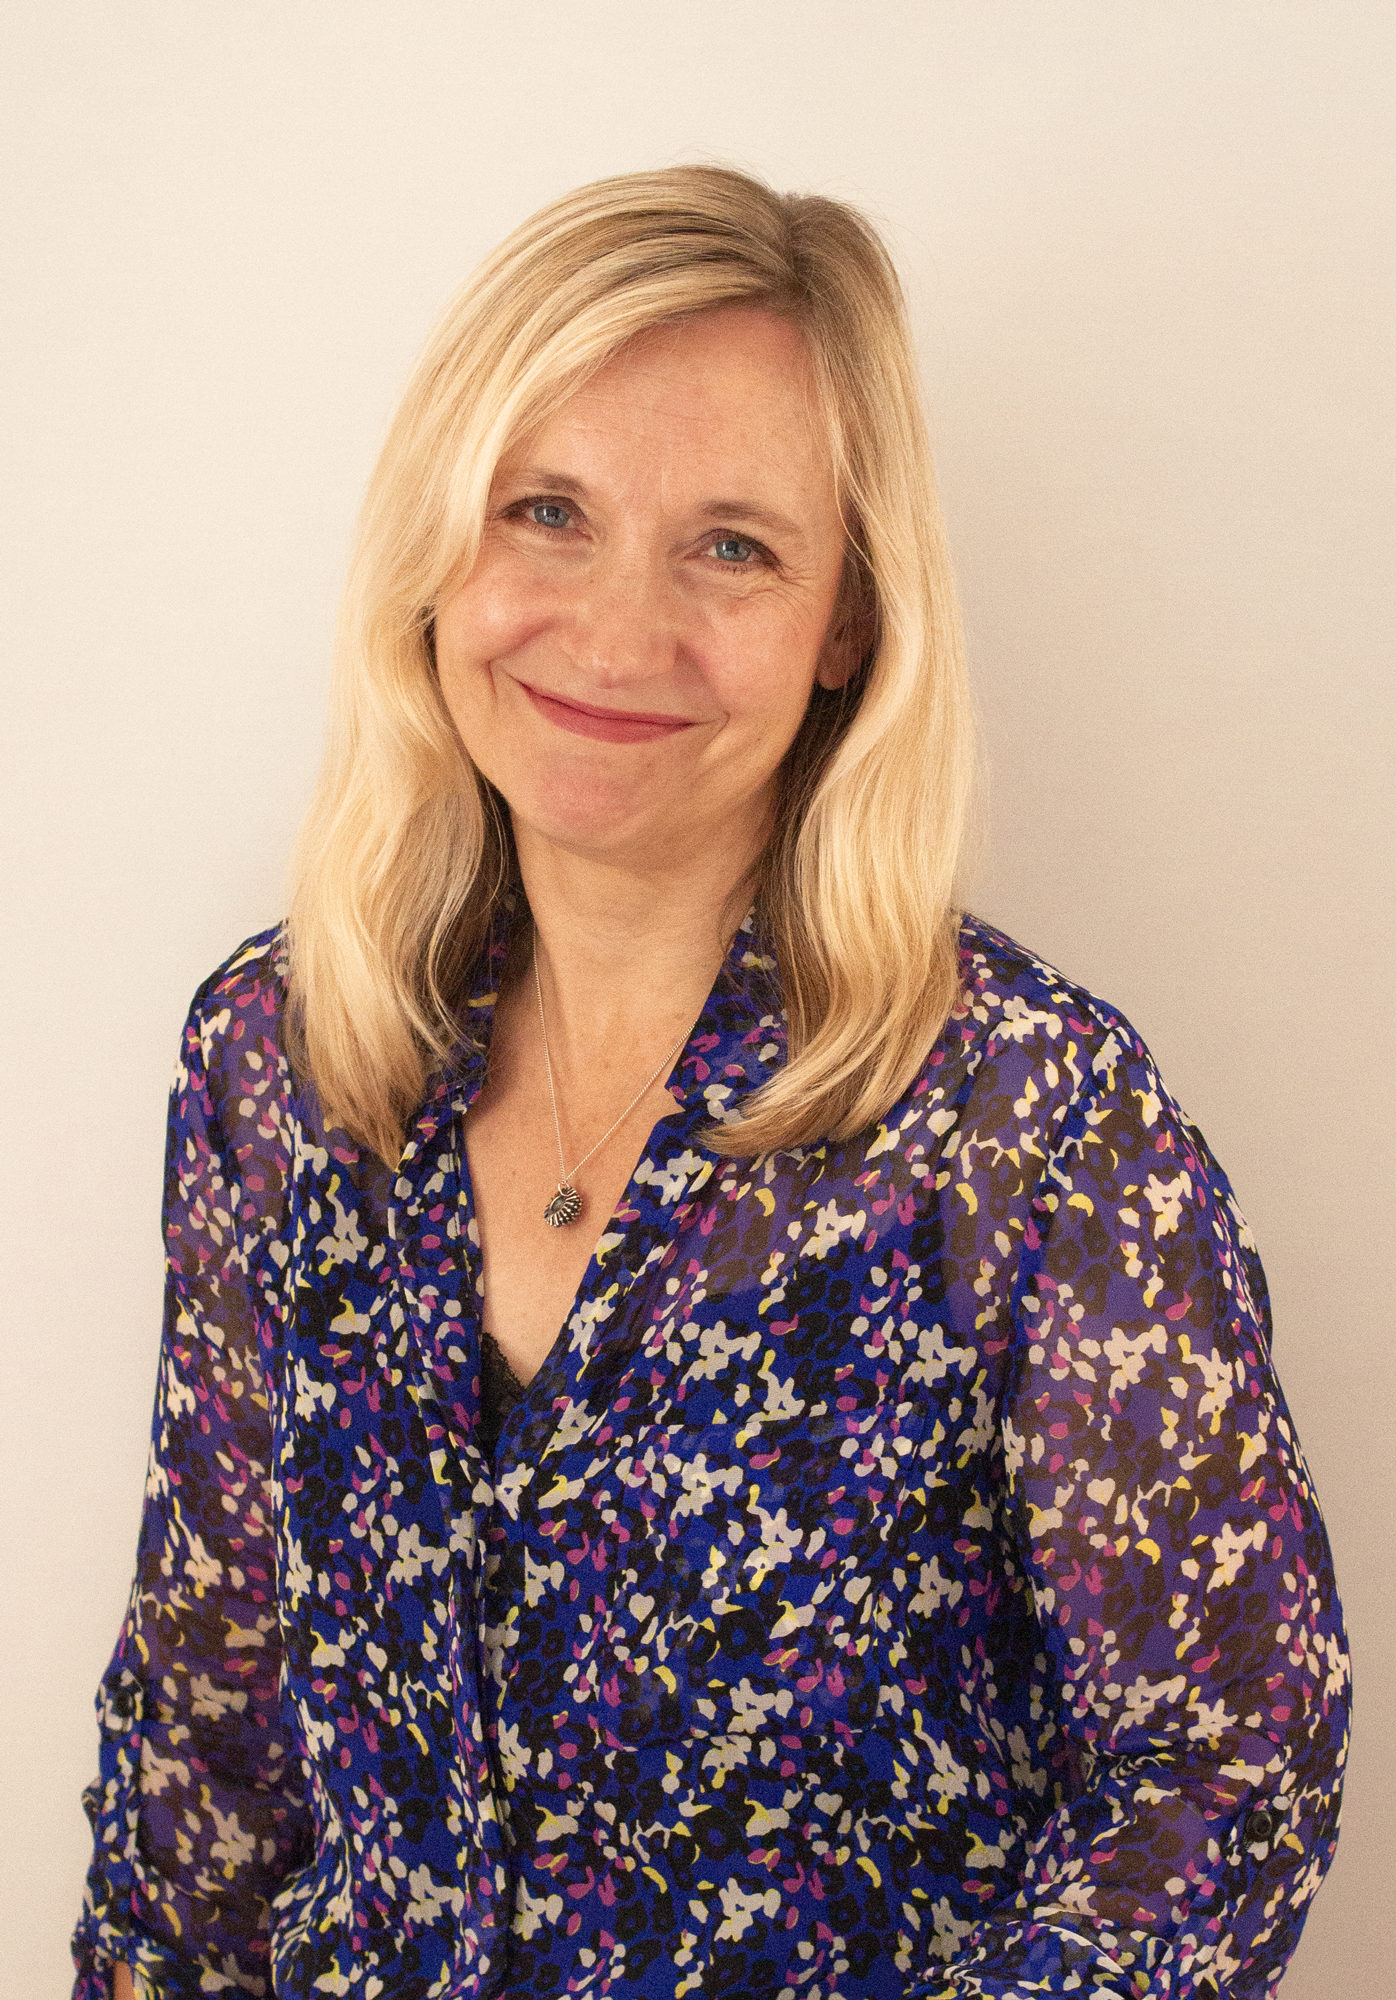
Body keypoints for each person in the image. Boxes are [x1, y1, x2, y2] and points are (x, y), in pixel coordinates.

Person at [75, 166, 1348, 2000]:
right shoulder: (276, 1064)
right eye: (547, 513)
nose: (613, 629)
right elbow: (208, 1726)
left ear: (847, 623)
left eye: (733, 545)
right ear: (440, 547)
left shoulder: (1030, 1125)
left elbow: (1230, 1760)